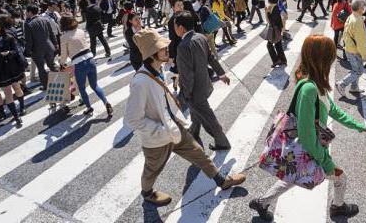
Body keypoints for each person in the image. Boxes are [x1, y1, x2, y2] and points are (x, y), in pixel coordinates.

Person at [249, 35, 366, 221]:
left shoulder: (315, 82)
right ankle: (338, 208)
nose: (333, 59)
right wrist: (324, 159)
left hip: (306, 150)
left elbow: (331, 108)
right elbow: (305, 134)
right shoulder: (309, 89)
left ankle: (262, 202)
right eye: (330, 56)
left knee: (293, 176)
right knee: (340, 178)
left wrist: (355, 124)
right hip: (310, 149)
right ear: (321, 59)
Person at [125, 28, 246, 206]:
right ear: (152, 53)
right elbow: (133, 119)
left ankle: (222, 180)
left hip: (173, 127)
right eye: (162, 47)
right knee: (152, 169)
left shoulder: (158, 70)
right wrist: (160, 130)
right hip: (157, 137)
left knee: (198, 153)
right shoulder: (140, 82)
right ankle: (147, 193)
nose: (167, 49)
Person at [174, 11, 232, 150]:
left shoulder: (183, 46)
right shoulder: (201, 37)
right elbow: (211, 58)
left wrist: (184, 95)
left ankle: (222, 142)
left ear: (181, 28)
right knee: (196, 113)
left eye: (175, 26)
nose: (174, 29)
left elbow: (187, 75)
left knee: (208, 118)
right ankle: (194, 132)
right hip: (204, 83)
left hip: (195, 91)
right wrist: (221, 74)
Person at [59, 15, 113, 117]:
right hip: (90, 59)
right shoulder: (80, 31)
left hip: (79, 64)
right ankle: (106, 102)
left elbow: (64, 55)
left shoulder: (64, 37)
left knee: (82, 88)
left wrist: (62, 63)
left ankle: (89, 108)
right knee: (95, 85)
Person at [0, 19, 25, 126]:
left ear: (0, 27)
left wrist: (9, 53)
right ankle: (16, 117)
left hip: (12, 68)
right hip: (0, 71)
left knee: (17, 89)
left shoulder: (9, 37)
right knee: (7, 93)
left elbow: (16, 50)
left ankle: (22, 107)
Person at [335, 0, 366, 97]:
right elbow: (361, 41)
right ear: (360, 7)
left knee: (356, 69)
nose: (365, 8)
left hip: (349, 48)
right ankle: (342, 84)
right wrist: (364, 55)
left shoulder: (352, 16)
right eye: (364, 6)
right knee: (359, 71)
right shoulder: (358, 21)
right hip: (355, 50)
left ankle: (354, 88)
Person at [23, 5, 59, 90]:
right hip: (49, 46)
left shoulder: (28, 24)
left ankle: (46, 86)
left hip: (37, 49)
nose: (25, 13)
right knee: (52, 65)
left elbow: (29, 41)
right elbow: (51, 33)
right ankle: (60, 80)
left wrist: (27, 51)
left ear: (30, 12)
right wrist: (55, 44)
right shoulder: (45, 19)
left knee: (41, 68)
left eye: (26, 12)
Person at [264, 0, 287, 67]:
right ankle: (283, 60)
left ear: (269, 1)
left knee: (269, 45)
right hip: (278, 28)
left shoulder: (272, 8)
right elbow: (283, 16)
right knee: (278, 44)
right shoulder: (276, 7)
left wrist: (266, 12)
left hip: (275, 29)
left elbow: (269, 21)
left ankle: (276, 60)